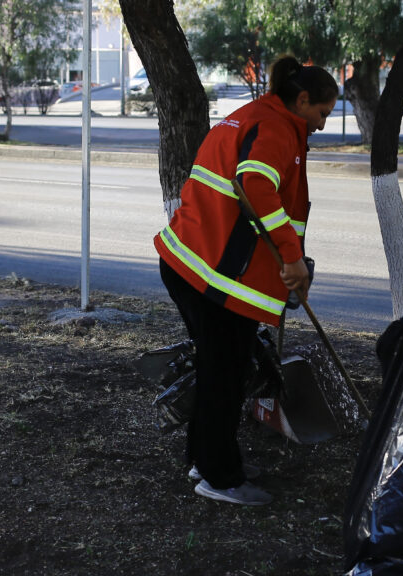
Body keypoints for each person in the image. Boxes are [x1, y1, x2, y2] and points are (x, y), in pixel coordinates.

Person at [155, 56, 338, 506]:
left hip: (193, 265)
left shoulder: (259, 119)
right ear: (302, 99)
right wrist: (293, 261)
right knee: (225, 375)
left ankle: (206, 458)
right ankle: (219, 478)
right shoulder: (275, 128)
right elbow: (254, 184)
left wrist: (291, 268)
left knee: (221, 369)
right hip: (212, 276)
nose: (322, 124)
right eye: (321, 113)